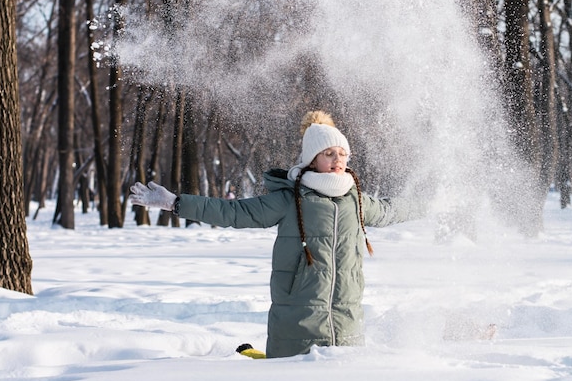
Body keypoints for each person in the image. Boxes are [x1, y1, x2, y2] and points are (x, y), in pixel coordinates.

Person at [129, 110, 422, 358]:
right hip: (296, 325)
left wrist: (437, 203)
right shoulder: (289, 199)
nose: (338, 159)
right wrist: (176, 203)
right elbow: (235, 213)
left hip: (347, 328)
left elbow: (391, 210)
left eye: (342, 153)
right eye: (329, 153)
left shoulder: (355, 200)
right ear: (311, 160)